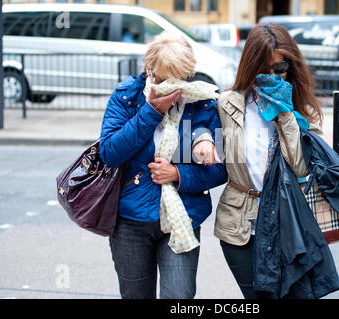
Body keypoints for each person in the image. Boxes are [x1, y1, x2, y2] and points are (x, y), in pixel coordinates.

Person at [99, 31, 227, 299]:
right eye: (163, 79)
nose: (172, 89)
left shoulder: (202, 102)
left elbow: (221, 168)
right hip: (130, 220)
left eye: (180, 80)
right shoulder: (127, 98)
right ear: (149, 69)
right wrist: (151, 112)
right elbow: (109, 153)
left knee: (179, 297)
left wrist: (178, 174)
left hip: (183, 217)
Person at [212, 24, 324, 299]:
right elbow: (210, 149)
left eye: (281, 67)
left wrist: (285, 113)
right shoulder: (228, 104)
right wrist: (200, 137)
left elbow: (301, 167)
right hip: (239, 226)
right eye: (264, 69)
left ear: (292, 66)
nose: (273, 75)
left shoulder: (305, 112)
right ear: (251, 67)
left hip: (289, 227)